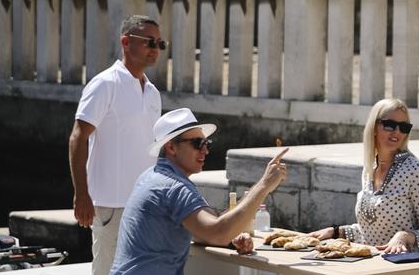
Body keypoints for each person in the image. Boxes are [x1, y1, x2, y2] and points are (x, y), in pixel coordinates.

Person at [110, 108, 289, 275]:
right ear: (171, 147)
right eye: (197, 143)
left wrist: (230, 240)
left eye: (205, 142)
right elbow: (218, 232)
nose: (205, 150)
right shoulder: (174, 187)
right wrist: (263, 185)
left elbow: (205, 230)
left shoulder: (150, 176)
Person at [69, 15, 166, 275]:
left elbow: (153, 147)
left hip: (146, 203)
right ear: (126, 42)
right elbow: (78, 137)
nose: (155, 48)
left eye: (159, 43)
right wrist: (81, 194)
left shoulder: (153, 92)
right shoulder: (105, 84)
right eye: (149, 42)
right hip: (110, 204)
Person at [309, 98, 419, 253]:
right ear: (374, 127)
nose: (397, 132)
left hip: (405, 266)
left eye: (404, 127)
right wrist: (336, 232)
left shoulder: (416, 171)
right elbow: (370, 233)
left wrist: (404, 236)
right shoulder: (369, 169)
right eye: (390, 125)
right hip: (373, 263)